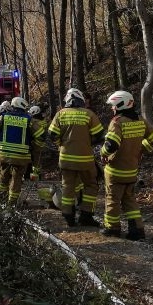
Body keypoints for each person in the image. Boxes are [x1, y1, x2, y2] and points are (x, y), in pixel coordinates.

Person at [99, 90, 153, 240]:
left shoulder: (117, 122)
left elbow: (111, 144)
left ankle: (112, 229)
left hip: (115, 170)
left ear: (120, 104)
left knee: (112, 199)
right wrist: (141, 149)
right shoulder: (140, 120)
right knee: (129, 200)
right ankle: (137, 231)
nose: (112, 109)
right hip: (132, 170)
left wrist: (103, 153)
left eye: (113, 106)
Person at [48, 87, 105, 227]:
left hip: (65, 159)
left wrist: (60, 144)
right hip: (85, 160)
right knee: (91, 185)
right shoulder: (89, 114)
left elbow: (52, 135)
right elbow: (99, 135)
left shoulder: (60, 114)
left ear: (67, 100)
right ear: (81, 100)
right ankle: (86, 216)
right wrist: (88, 143)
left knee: (68, 186)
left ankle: (68, 216)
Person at [0, 97, 46, 206]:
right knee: (16, 179)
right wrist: (34, 147)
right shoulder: (29, 120)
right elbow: (41, 136)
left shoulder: (3, 118)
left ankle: (1, 200)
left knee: (3, 176)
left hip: (4, 155)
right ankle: (12, 204)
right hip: (21, 157)